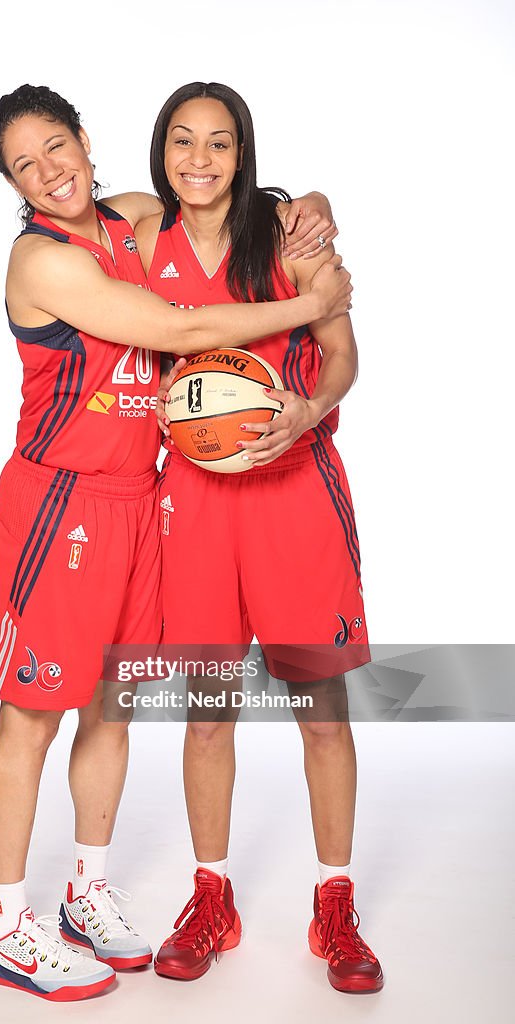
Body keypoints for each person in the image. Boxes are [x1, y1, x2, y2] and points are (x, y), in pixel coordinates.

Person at [0, 83, 352, 1002]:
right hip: (62, 504)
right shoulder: (45, 258)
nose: (49, 171)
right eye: (26, 165)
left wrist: (312, 210)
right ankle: (2, 926)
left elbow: (248, 201)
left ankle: (87, 894)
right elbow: (183, 329)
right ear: (12, 184)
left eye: (57, 147)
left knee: (114, 704)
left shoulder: (129, 220)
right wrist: (309, 307)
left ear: (85, 141)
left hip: (143, 500)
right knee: (34, 714)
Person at [137, 81, 382, 993]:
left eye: (220, 144)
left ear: (244, 155)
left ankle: (334, 903)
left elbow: (344, 350)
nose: (199, 161)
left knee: (321, 711)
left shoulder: (283, 234)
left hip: (293, 494)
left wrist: (311, 405)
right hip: (194, 504)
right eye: (182, 142)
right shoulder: (139, 242)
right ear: (159, 151)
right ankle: (211, 896)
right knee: (207, 715)